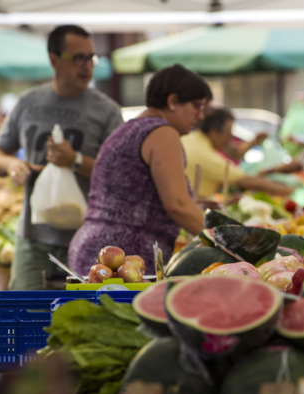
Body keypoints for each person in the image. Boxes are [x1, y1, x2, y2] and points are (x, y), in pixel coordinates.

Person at [0, 25, 123, 290]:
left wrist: (75, 161)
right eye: (78, 58)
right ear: (54, 59)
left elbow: (119, 176)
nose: (86, 66)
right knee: (25, 319)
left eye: (91, 58)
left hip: (90, 242)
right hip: (33, 238)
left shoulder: (107, 111)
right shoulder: (28, 103)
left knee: (83, 323)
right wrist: (11, 163)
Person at [68, 65, 212, 276]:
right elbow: (178, 205)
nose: (200, 116)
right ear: (172, 101)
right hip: (122, 257)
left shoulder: (128, 129)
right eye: (196, 106)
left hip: (98, 251)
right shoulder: (163, 132)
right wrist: (225, 243)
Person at [182, 108, 295, 199]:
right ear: (214, 133)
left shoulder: (192, 139)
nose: (229, 140)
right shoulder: (208, 157)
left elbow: (234, 151)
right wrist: (293, 192)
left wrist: (252, 143)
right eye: (228, 135)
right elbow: (249, 182)